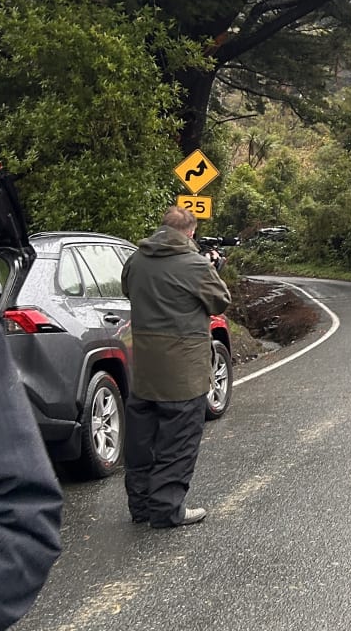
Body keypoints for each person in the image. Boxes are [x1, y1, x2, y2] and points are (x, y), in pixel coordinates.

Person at [122, 206, 231, 528]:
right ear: (191, 232)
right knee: (178, 440)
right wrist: (214, 268)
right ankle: (167, 509)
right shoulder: (195, 264)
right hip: (183, 368)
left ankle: (140, 507)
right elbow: (218, 302)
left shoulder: (136, 260)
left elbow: (128, 290)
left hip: (144, 368)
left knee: (142, 440)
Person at [0, 324, 63, 629]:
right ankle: (166, 506)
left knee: (150, 423)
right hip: (176, 358)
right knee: (176, 425)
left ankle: (148, 504)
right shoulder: (195, 273)